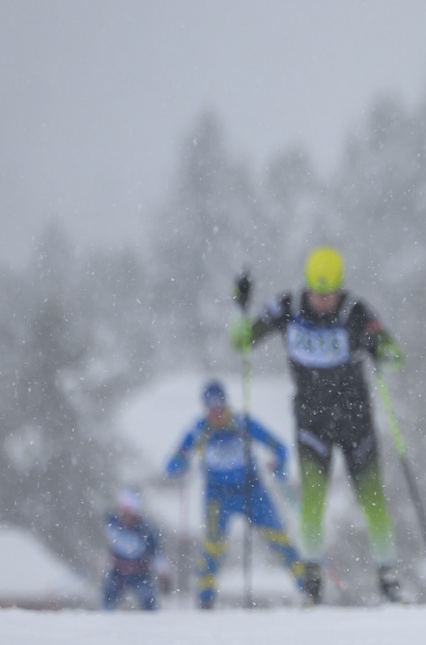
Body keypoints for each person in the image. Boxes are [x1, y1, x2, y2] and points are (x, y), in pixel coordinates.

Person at [232, 245, 406, 603]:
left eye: (330, 294)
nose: (323, 301)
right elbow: (242, 341)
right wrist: (241, 307)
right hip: (312, 422)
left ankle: (388, 577)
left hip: (355, 421)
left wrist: (379, 348)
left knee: (372, 500)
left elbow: (395, 355)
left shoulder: (355, 311)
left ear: (340, 288)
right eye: (317, 293)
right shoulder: (288, 307)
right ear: (307, 286)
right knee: (312, 502)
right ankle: (311, 578)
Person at [164, 379, 307, 608]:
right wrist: (181, 464)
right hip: (217, 497)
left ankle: (308, 588)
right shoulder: (199, 430)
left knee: (279, 539)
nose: (216, 413)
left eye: (219, 407)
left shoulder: (242, 423)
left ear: (226, 404)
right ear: (205, 408)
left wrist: (278, 465)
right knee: (212, 547)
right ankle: (205, 599)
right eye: (211, 408)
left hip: (252, 490)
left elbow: (279, 447)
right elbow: (171, 464)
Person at [101, 490, 168, 611]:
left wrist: (162, 571)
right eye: (123, 510)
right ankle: (104, 616)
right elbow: (105, 541)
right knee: (108, 598)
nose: (125, 515)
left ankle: (152, 619)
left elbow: (156, 552)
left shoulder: (145, 530)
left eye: (128, 511)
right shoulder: (112, 523)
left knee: (148, 602)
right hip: (118, 572)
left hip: (139, 572)